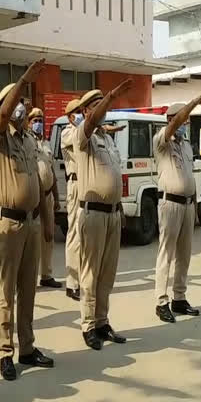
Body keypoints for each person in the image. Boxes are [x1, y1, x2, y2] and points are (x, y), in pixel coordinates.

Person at [0, 59, 55, 381]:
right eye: (17, 104)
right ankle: (5, 352)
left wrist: (45, 220)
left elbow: (39, 185)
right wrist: (24, 80)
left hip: (30, 222)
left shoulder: (29, 141)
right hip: (10, 223)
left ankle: (27, 347)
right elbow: (2, 118)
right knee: (7, 290)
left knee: (28, 288)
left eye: (24, 105)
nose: (23, 110)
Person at [73, 85, 132, 350]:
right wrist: (110, 97)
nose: (103, 109)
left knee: (107, 273)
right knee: (90, 272)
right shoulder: (82, 135)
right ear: (86, 111)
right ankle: (87, 325)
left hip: (112, 213)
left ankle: (102, 321)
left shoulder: (107, 139)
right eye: (96, 104)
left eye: (103, 103)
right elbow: (92, 122)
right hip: (93, 213)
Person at [153, 93, 201, 324]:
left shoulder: (186, 145)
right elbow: (174, 125)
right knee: (166, 254)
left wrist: (195, 207)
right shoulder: (162, 140)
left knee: (184, 254)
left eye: (187, 122)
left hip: (188, 204)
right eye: (182, 121)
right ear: (171, 120)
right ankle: (161, 301)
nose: (184, 125)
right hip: (170, 204)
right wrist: (195, 102)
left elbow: (190, 175)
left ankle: (179, 297)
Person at [28, 108, 61, 289]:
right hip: (34, 197)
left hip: (48, 195)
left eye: (40, 119)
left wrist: (56, 197)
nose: (38, 123)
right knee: (33, 238)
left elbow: (52, 172)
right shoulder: (27, 142)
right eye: (34, 120)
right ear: (28, 122)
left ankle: (46, 274)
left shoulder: (46, 144)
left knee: (48, 236)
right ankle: (30, 277)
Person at [61, 99, 83, 301]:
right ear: (69, 116)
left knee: (85, 234)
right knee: (74, 233)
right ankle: (71, 283)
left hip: (87, 184)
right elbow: (78, 137)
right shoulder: (68, 132)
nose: (81, 114)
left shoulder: (84, 130)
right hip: (75, 184)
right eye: (77, 112)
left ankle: (81, 279)